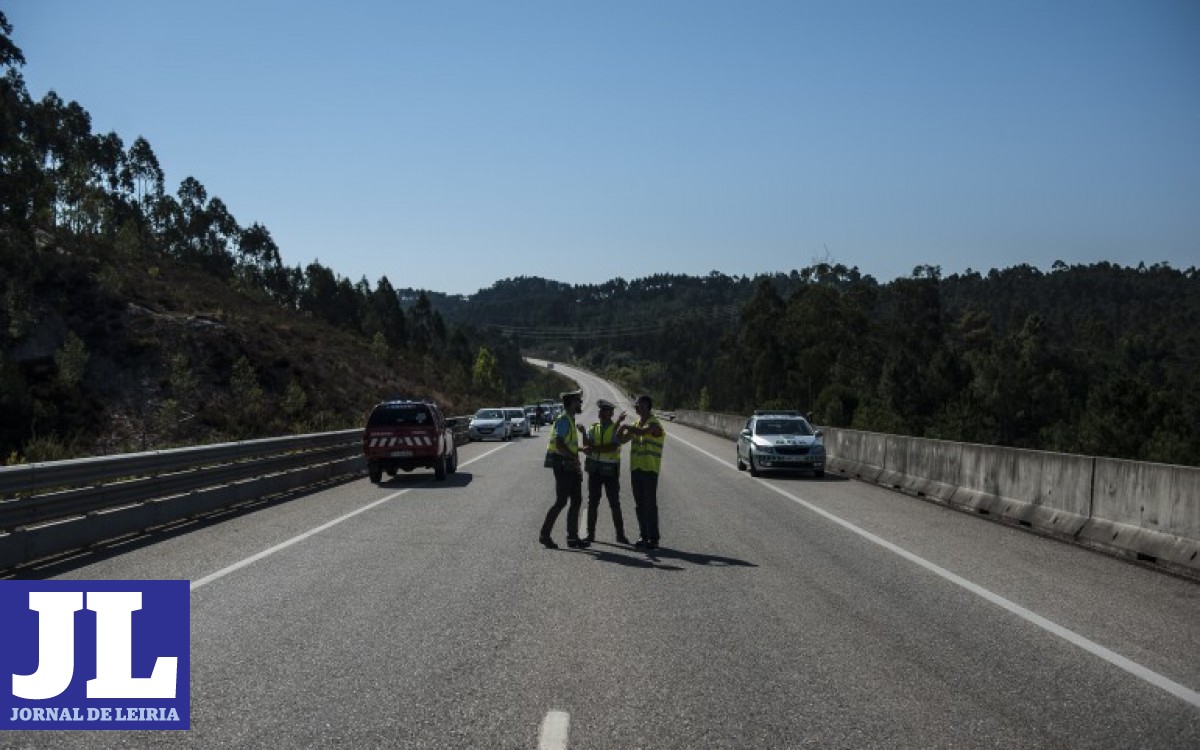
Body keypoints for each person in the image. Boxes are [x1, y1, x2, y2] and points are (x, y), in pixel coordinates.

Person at [539, 390, 588, 549]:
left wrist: (579, 450)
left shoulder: (570, 419)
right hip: (563, 464)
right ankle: (545, 535)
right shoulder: (563, 420)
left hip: (570, 464)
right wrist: (574, 457)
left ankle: (572, 538)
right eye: (579, 401)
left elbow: (568, 444)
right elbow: (560, 445)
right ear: (572, 402)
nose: (580, 404)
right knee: (561, 501)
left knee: (576, 500)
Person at [581, 399, 630, 545]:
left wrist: (594, 448)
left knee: (614, 503)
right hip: (595, 470)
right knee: (592, 503)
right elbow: (587, 444)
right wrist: (584, 433)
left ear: (611, 413)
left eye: (604, 411)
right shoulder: (593, 428)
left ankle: (620, 535)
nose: (601, 413)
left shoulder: (617, 429)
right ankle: (590, 534)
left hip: (610, 471)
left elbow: (612, 447)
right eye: (600, 410)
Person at [621, 394, 666, 549]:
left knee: (650, 505)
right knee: (639, 505)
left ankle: (653, 538)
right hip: (636, 469)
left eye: (639, 404)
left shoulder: (655, 424)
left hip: (649, 470)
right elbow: (621, 440)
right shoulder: (636, 423)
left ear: (647, 406)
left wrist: (627, 427)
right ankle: (643, 535)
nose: (636, 406)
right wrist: (619, 427)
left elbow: (643, 432)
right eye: (636, 404)